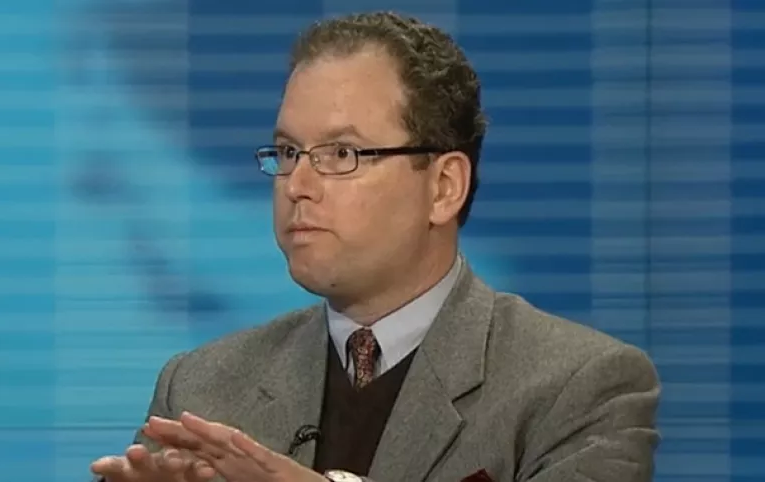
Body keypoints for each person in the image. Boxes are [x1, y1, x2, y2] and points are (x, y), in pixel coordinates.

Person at [90, 10, 661, 482]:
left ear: (444, 187)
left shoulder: (578, 388)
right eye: (287, 152)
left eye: (341, 154)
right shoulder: (201, 388)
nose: (297, 185)